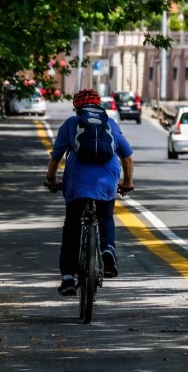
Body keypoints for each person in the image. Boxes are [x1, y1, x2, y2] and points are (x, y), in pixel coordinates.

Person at [45, 88, 134, 296]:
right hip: (106, 183)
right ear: (98, 105)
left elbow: (55, 158)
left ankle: (68, 278)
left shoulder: (71, 124)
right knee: (106, 217)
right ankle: (108, 250)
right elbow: (127, 158)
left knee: (72, 226)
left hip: (77, 184)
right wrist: (127, 183)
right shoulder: (109, 124)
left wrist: (51, 179)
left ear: (77, 108)